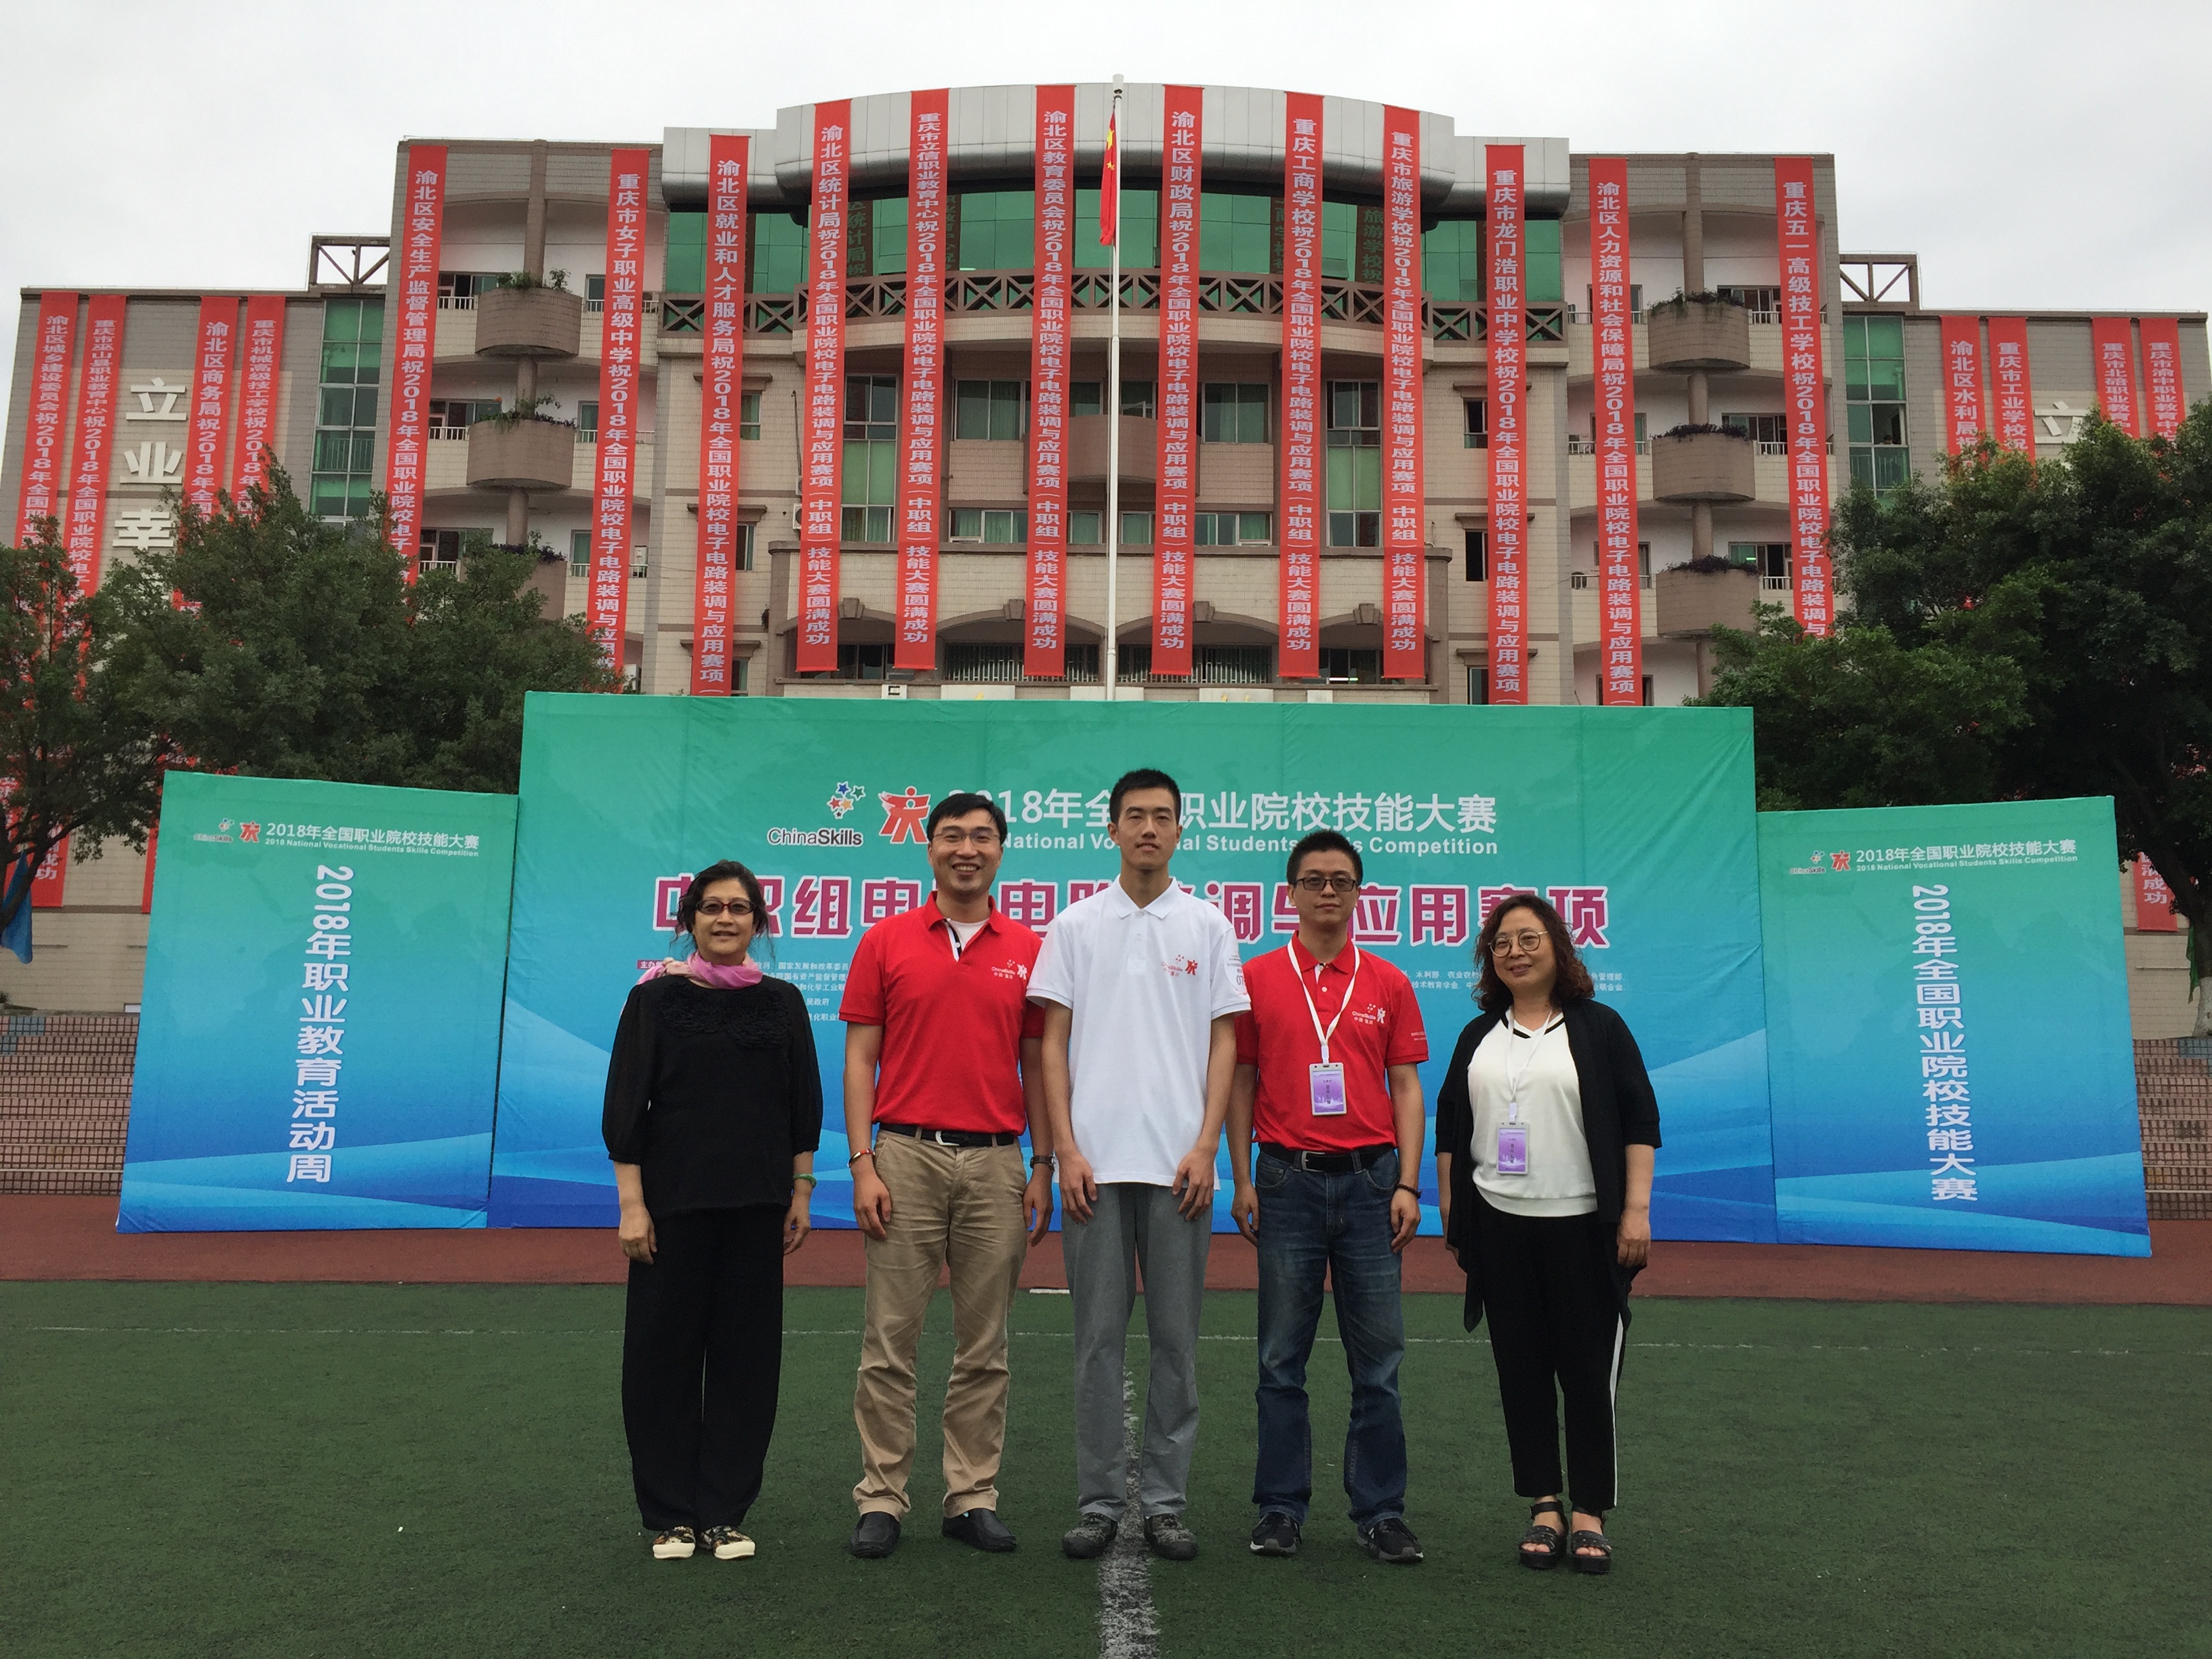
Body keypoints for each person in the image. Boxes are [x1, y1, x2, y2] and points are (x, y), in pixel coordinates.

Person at [1030, 766, 1248, 1562]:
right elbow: (1052, 1044)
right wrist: (1065, 1151)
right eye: (1135, 816)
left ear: (1181, 829)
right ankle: (1097, 1503)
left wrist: (1206, 1146)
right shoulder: (1075, 925)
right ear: (1112, 829)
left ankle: (1163, 1503)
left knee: (1176, 1343)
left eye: (1162, 816)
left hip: (1179, 1170)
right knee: (1096, 1342)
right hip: (1093, 1167)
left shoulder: (1208, 924)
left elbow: (1226, 1041)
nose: (1148, 828)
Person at [840, 792, 1055, 1559]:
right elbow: (860, 1058)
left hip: (998, 1161)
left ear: (1002, 850)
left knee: (984, 1345)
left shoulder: (1029, 947)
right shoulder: (885, 941)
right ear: (929, 848)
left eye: (983, 837)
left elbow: (1037, 1064)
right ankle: (882, 1498)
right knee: (889, 1342)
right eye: (953, 836)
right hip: (904, 1156)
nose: (969, 849)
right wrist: (862, 1163)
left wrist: (1042, 1163)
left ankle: (970, 1497)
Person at [1433, 893, 1658, 1576]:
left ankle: (1590, 1513)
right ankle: (1544, 1505)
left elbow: (1640, 1121)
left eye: (1529, 939)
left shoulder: (1599, 1027)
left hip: (1584, 1228)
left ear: (1558, 948)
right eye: (1502, 943)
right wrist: (1454, 1211)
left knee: (1588, 1375)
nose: (1515, 953)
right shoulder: (1478, 1035)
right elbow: (1452, 1126)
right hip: (1501, 1229)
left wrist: (1636, 1210)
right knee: (1522, 1373)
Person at [602, 859, 821, 1562]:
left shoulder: (783, 1002)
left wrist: (801, 1191)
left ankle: (725, 1513)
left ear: (759, 922)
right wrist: (632, 1207)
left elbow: (803, 1104)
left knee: (746, 1363)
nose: (726, 918)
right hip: (671, 1211)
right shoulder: (654, 1000)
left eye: (739, 908)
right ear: (689, 920)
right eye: (712, 907)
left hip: (757, 1208)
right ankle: (671, 1515)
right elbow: (625, 1108)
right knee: (660, 1360)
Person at [1227, 830, 1429, 1565]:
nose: (1328, 892)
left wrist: (1408, 1183)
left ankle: (1380, 1512)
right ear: (1291, 893)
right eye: (1313, 880)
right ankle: (1280, 1508)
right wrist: (1241, 1177)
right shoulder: (1256, 978)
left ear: (1358, 893)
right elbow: (1241, 1081)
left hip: (1373, 1183)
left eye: (1341, 880)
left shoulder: (1388, 981)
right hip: (1287, 1180)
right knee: (1281, 1361)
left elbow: (1405, 1086)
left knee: (1379, 1364)